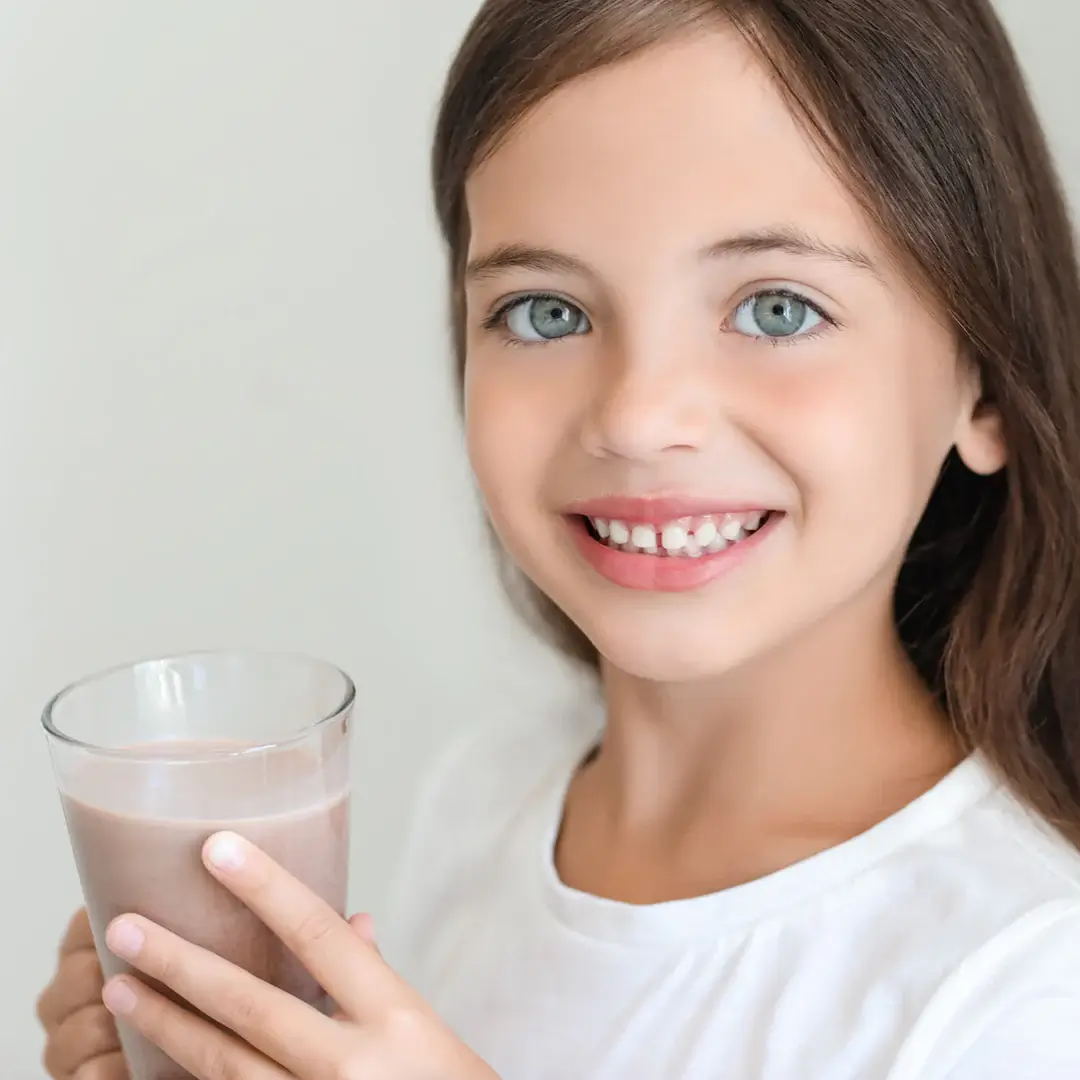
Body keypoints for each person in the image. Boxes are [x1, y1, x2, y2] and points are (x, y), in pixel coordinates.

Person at [36, 0, 1080, 1076]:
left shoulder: (1025, 982)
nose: (636, 415)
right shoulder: (484, 799)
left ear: (986, 383)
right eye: (547, 313)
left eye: (777, 309)